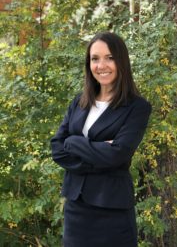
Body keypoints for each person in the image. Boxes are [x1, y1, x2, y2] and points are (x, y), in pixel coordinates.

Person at [51, 31, 151, 247]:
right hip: (76, 209)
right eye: (95, 58)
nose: (101, 65)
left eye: (109, 58)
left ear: (121, 61)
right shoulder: (79, 101)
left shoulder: (137, 107)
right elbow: (58, 148)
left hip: (112, 212)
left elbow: (117, 155)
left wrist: (74, 142)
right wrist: (97, 152)